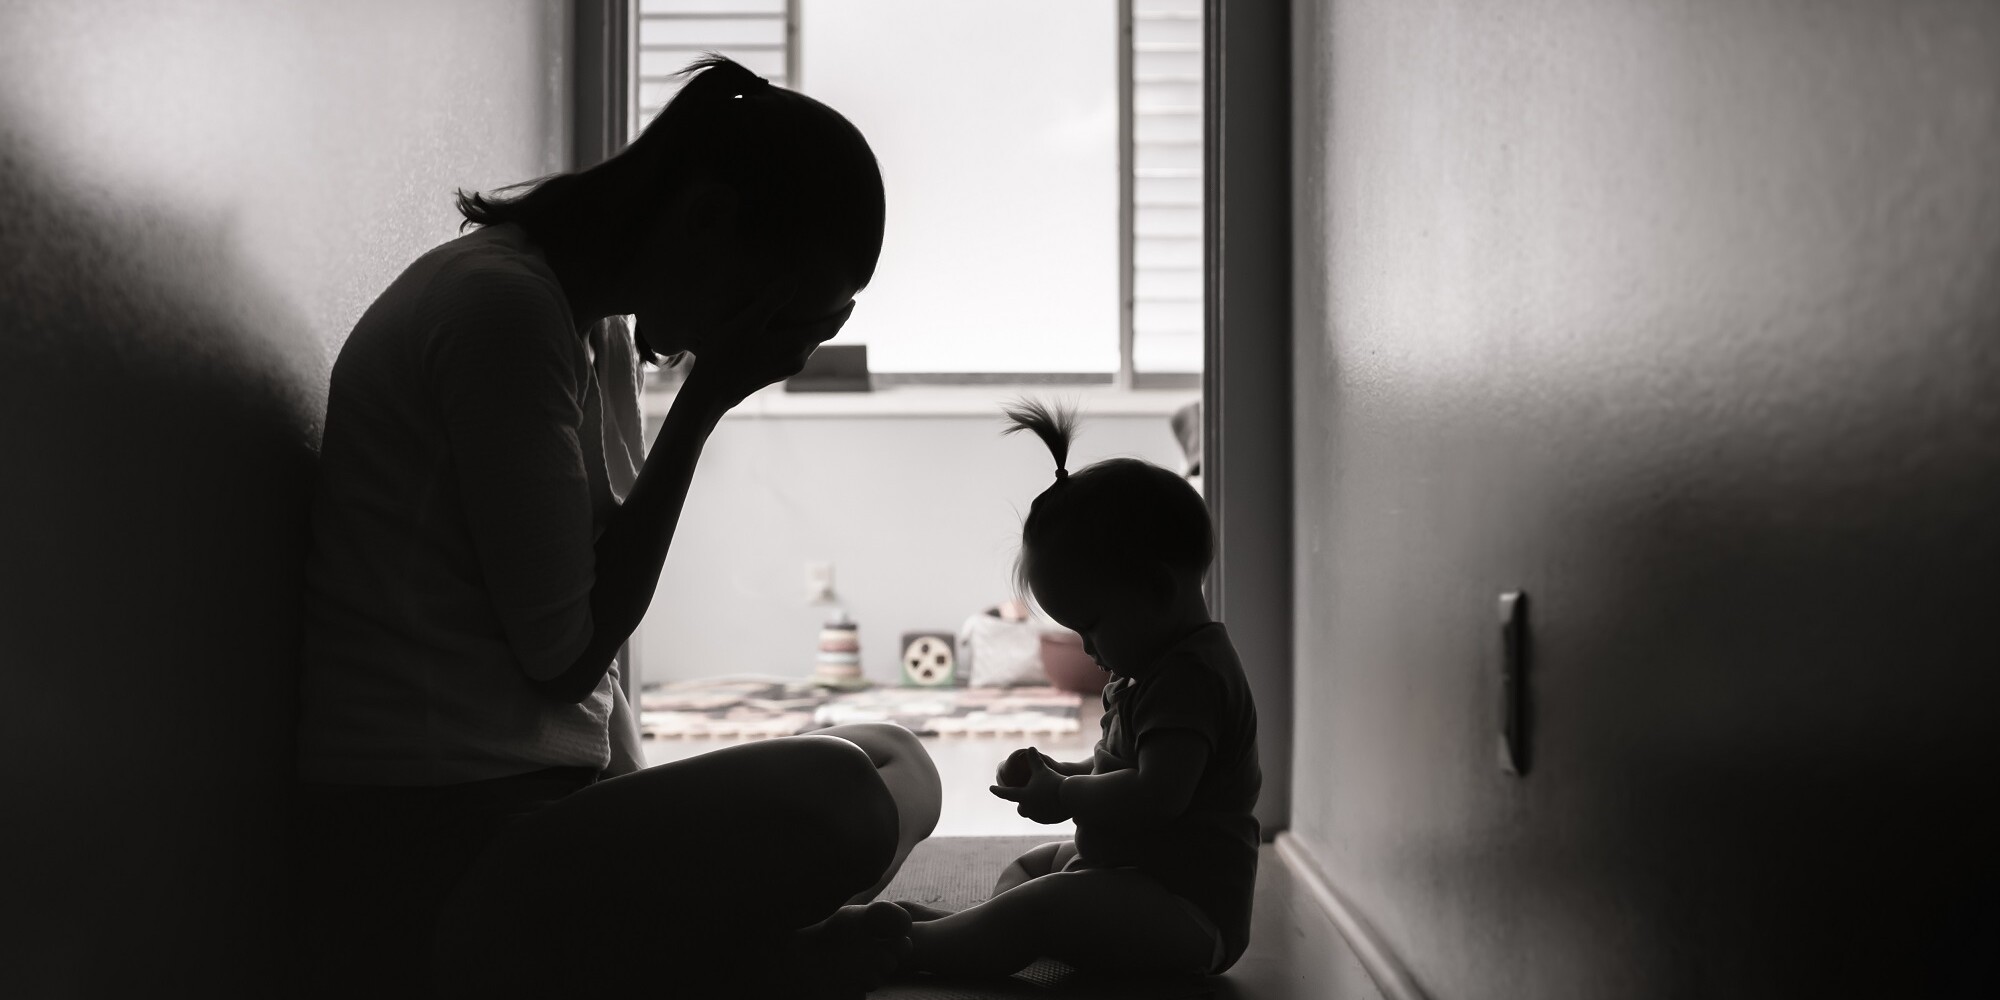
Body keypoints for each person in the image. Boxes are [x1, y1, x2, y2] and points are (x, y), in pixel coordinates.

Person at [291, 57, 938, 999]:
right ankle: (735, 963)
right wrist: (704, 402)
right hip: (438, 851)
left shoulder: (592, 328)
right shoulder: (501, 309)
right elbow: (564, 656)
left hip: (535, 811)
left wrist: (641, 804)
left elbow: (584, 671)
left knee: (900, 761)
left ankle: (712, 953)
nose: (769, 341)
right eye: (775, 307)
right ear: (709, 219)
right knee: (843, 797)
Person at [892, 399, 1262, 979]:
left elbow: (1156, 796)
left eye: (1090, 626)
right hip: (1133, 874)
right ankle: (979, 928)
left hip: (1187, 916)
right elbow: (1116, 769)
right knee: (1031, 871)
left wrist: (1062, 797)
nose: (1088, 649)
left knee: (1046, 902)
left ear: (1157, 588)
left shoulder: (1192, 679)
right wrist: (1058, 773)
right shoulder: (1148, 669)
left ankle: (917, 951)